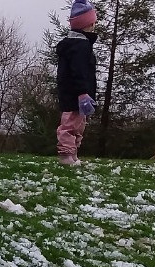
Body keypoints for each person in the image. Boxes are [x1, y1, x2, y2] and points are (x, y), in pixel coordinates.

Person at [56, 0, 98, 166]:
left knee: (79, 125)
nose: (94, 26)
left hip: (80, 93)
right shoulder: (79, 46)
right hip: (75, 94)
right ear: (85, 25)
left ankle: (73, 154)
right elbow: (79, 72)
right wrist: (82, 92)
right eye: (92, 23)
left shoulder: (82, 44)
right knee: (70, 124)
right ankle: (65, 155)